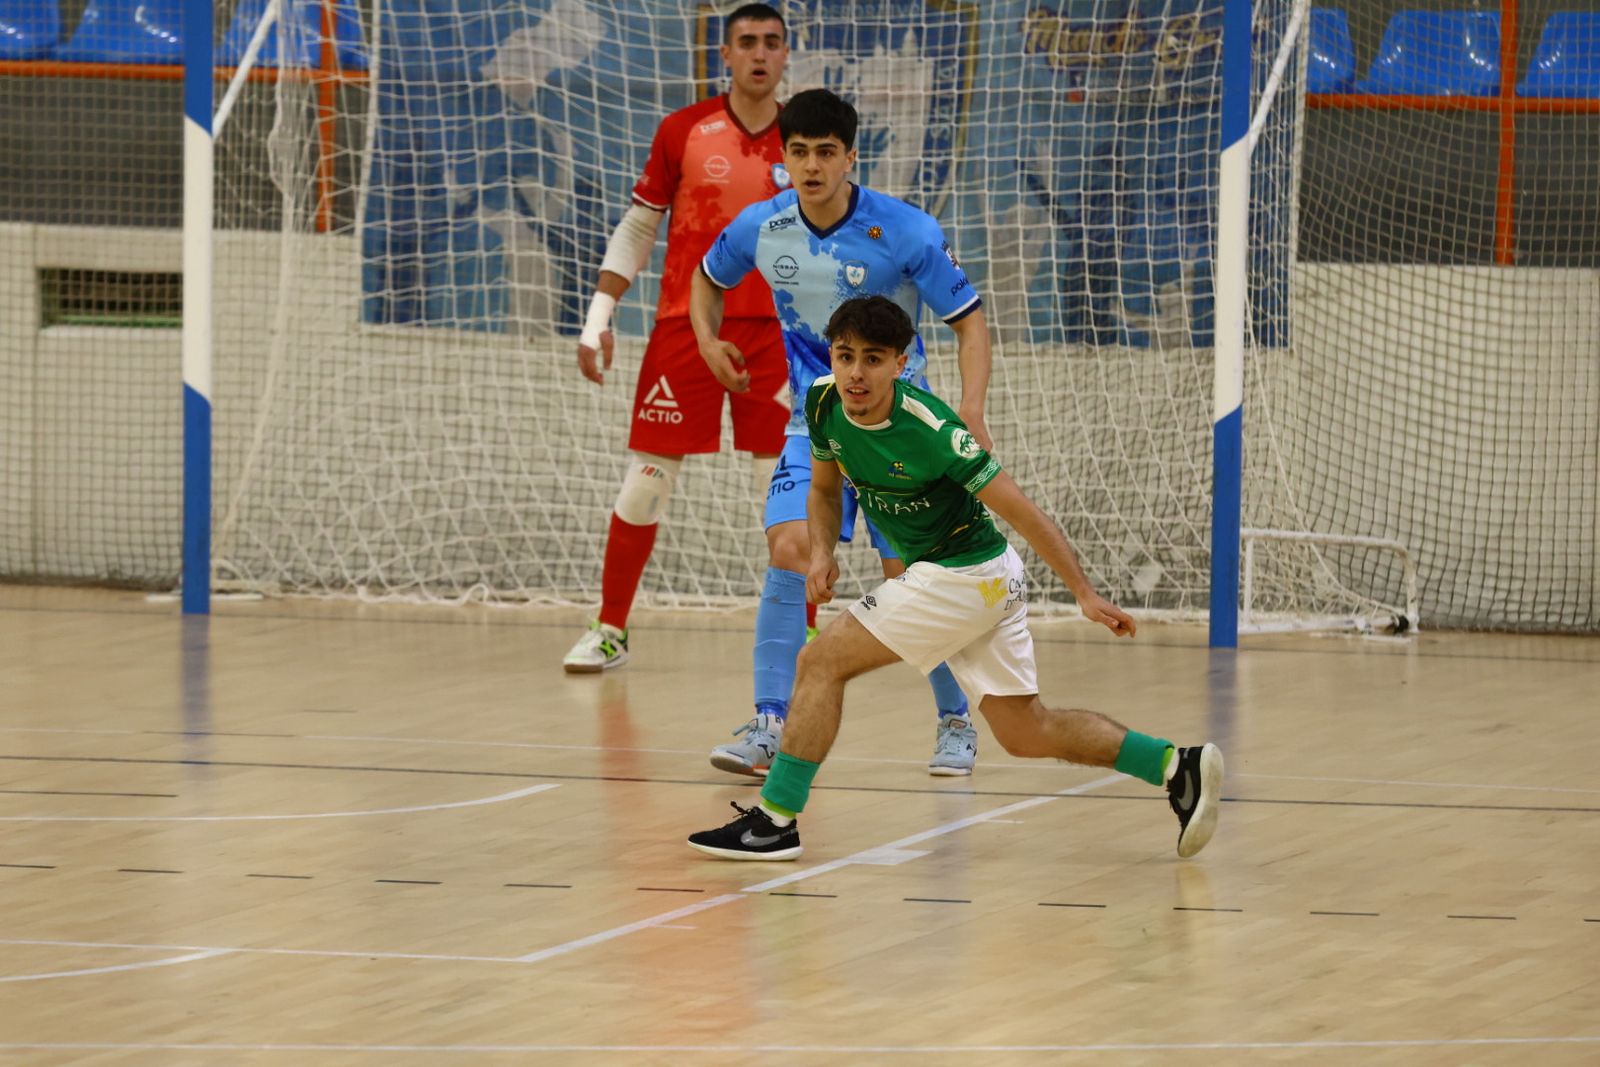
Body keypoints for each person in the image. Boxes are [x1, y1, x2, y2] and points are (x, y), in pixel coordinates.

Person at [687, 296, 1225, 861]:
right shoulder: (822, 400)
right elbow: (823, 490)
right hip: (973, 579)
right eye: (845, 357)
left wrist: (1084, 593)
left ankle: (775, 819)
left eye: (873, 359)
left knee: (821, 661)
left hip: (966, 575)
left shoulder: (934, 430)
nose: (856, 373)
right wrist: (821, 552)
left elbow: (1023, 512)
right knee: (1025, 732)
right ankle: (1176, 766)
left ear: (900, 363)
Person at [690, 88, 992, 778]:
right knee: (791, 547)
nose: (812, 166)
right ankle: (771, 723)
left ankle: (954, 719)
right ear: (784, 157)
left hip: (898, 434)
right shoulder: (762, 226)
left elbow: (969, 321)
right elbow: (708, 279)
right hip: (813, 424)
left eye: (826, 152)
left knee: (909, 576)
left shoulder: (906, 230)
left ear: (851, 157)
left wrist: (972, 409)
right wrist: (708, 340)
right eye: (799, 152)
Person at [562, 4, 794, 675]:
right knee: (644, 485)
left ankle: (803, 637)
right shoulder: (684, 129)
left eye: (771, 43)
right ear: (725, 54)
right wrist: (598, 316)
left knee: (781, 490)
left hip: (778, 335)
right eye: (746, 42)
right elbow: (640, 227)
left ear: (786, 55)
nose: (759, 54)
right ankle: (610, 629)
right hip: (685, 328)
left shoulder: (806, 135)